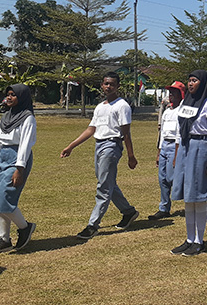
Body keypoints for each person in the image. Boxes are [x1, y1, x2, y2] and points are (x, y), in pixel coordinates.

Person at [61, 72, 139, 240]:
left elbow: (126, 133)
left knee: (103, 187)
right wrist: (71, 146)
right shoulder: (100, 106)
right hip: (99, 145)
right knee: (108, 183)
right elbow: (91, 129)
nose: (108, 87)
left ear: (117, 86)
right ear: (102, 85)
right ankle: (128, 211)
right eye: (105, 84)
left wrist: (131, 156)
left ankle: (92, 225)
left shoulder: (122, 106)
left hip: (112, 145)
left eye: (111, 84)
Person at [170, 70, 207, 256]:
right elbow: (178, 129)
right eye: (189, 80)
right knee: (188, 196)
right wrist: (177, 155)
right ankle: (189, 238)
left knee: (198, 196)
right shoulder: (185, 102)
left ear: (203, 83)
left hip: (201, 147)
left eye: (194, 80)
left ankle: (199, 240)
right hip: (185, 147)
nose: (190, 84)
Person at [0, 84, 37, 255]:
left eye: (13, 95)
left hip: (17, 159)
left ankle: (25, 227)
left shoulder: (27, 117)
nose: (9, 97)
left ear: (21, 97)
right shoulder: (5, 117)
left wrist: (19, 168)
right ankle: (4, 239)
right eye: (8, 94)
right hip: (2, 158)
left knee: (4, 198)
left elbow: (25, 144)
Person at [149, 81, 185, 220]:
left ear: (181, 95)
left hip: (175, 146)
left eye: (174, 93)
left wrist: (176, 155)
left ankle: (189, 198)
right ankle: (164, 208)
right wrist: (158, 152)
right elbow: (162, 133)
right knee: (162, 178)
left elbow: (179, 134)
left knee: (171, 177)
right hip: (165, 146)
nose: (171, 96)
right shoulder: (167, 112)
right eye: (170, 93)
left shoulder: (181, 111)